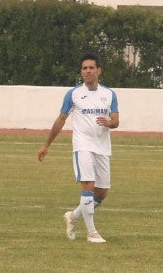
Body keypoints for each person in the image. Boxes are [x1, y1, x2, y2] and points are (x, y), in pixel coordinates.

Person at [37, 51, 120, 244]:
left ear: (99, 70)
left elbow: (116, 121)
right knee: (88, 186)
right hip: (82, 145)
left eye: (91, 68)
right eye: (84, 68)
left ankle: (73, 216)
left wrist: (109, 122)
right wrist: (46, 145)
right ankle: (92, 233)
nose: (88, 71)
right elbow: (61, 119)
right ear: (81, 71)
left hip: (102, 147)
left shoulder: (109, 94)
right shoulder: (73, 94)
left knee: (102, 192)